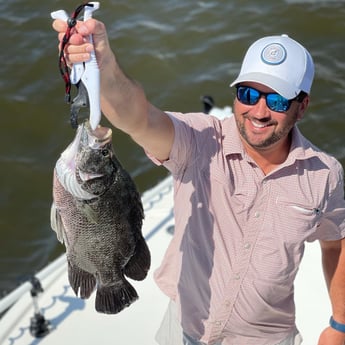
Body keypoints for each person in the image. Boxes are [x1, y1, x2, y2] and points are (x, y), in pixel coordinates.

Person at [52, 18, 345, 345]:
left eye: (277, 101)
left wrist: (340, 324)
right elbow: (138, 118)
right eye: (248, 94)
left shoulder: (325, 175)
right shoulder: (200, 141)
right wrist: (103, 64)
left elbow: (336, 241)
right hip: (183, 332)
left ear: (302, 106)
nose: (259, 111)